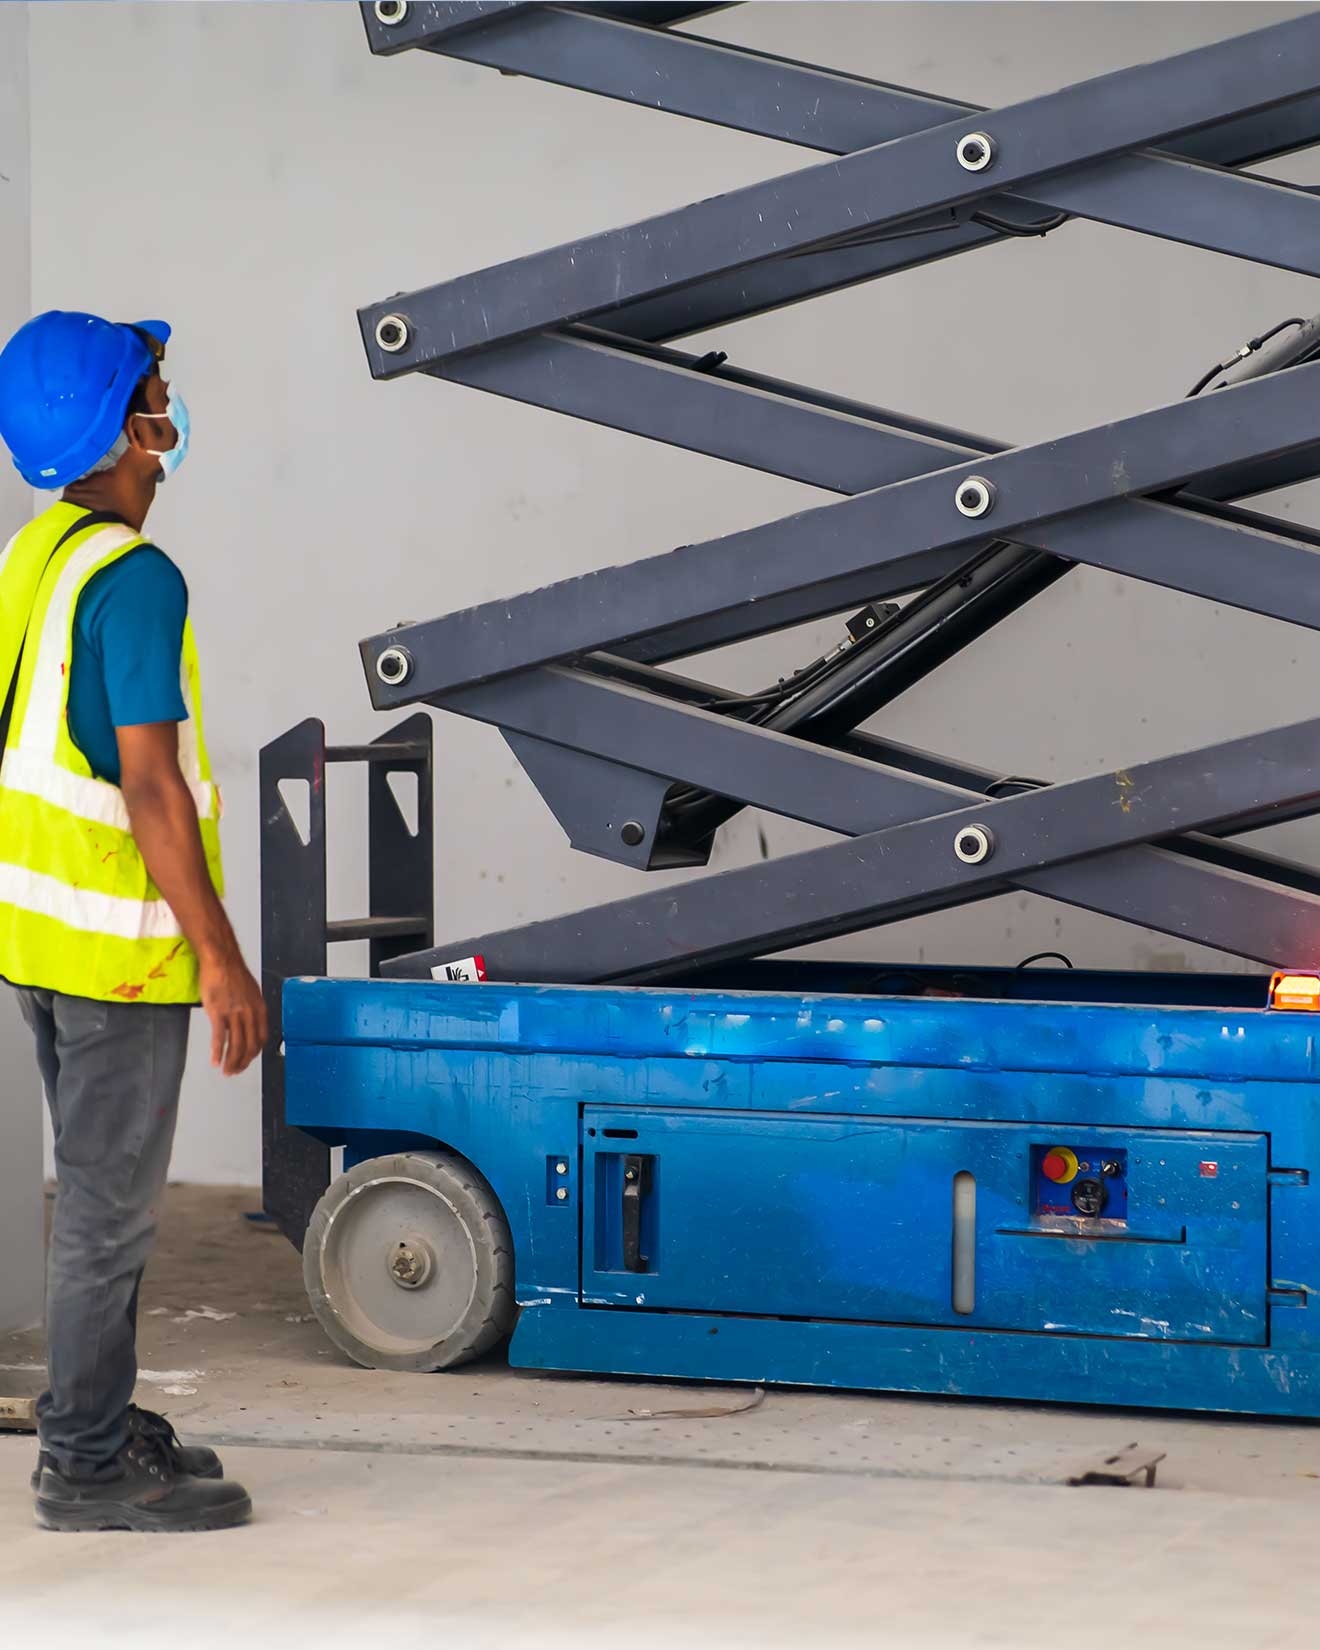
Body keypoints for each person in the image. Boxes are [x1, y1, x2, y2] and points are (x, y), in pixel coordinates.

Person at [0, 311, 265, 1532]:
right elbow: (151, 788)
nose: (169, 421)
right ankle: (85, 1469)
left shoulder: (35, 558)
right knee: (109, 1219)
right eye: (155, 395)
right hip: (116, 959)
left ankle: (92, 1419)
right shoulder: (136, 578)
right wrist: (222, 958)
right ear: (118, 430)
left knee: (106, 1208)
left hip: (40, 946)